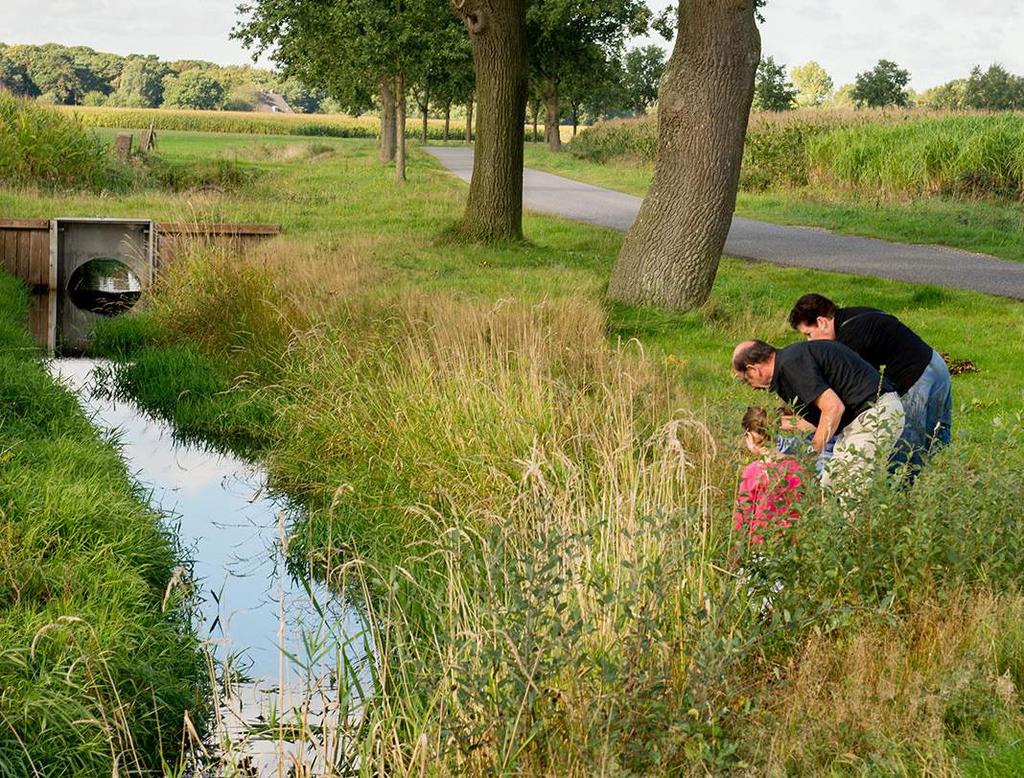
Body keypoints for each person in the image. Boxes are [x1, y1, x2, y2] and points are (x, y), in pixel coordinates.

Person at [787, 294, 952, 472]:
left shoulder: (850, 339)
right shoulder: (852, 317)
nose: (809, 342)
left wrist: (809, 423)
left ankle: (903, 493)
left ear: (822, 322)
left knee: (905, 445)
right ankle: (944, 477)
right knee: (935, 437)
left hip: (916, 377)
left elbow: (849, 397)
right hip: (936, 366)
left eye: (809, 334)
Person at [732, 339, 905, 505]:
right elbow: (820, 420)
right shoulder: (790, 362)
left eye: (746, 380)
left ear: (753, 369)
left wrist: (811, 453)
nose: (752, 387)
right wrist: (772, 423)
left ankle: (851, 534)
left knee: (849, 490)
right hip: (861, 418)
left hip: (874, 415)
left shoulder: (791, 365)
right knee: (830, 485)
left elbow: (833, 409)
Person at [734, 406, 806, 546]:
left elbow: (743, 516)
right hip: (791, 544)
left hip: (761, 544)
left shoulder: (752, 472)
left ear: (749, 437)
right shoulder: (796, 467)